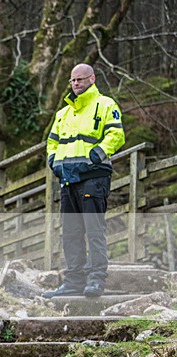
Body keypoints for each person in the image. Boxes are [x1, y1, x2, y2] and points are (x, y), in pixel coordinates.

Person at [43, 64, 125, 298]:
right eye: (73, 80)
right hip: (68, 180)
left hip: (93, 178)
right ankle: (74, 281)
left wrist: (93, 157)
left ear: (92, 79)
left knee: (94, 230)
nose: (76, 84)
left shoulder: (106, 105)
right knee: (70, 232)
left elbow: (116, 135)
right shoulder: (63, 113)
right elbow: (52, 142)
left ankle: (96, 279)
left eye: (80, 79)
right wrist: (53, 162)